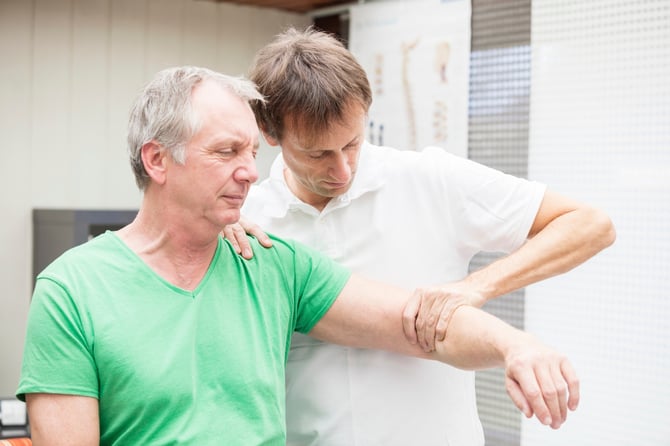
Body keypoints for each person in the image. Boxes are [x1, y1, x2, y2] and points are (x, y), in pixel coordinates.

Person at [16, 66, 582, 445]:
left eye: (252, 151)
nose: (249, 170)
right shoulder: (73, 290)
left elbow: (419, 324)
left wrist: (515, 344)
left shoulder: (272, 261)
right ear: (158, 161)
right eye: (226, 152)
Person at [227, 27, 616, 446]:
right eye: (318, 154)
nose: (342, 170)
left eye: (353, 143)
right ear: (269, 133)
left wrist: (475, 287)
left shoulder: (429, 179)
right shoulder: (245, 219)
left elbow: (591, 224)